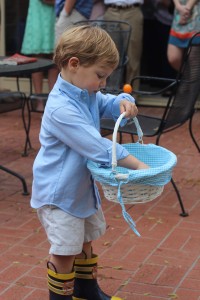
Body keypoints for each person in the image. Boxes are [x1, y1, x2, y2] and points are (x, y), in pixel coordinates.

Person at [31, 25, 149, 300]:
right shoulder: (61, 108)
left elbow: (108, 101)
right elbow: (98, 147)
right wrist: (141, 167)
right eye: (100, 76)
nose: (103, 83)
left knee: (85, 241)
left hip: (81, 188)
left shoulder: (86, 91)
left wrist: (124, 100)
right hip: (60, 194)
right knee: (64, 251)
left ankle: (87, 293)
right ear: (74, 64)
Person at [21, 0, 58, 110]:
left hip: (54, 15)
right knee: (37, 61)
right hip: (38, 17)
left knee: (55, 61)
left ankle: (53, 102)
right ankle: (39, 102)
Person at [103, 0, 144, 89]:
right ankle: (111, 90)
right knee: (110, 53)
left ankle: (131, 93)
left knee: (133, 55)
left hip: (133, 10)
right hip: (111, 10)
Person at [142, 0, 177, 80]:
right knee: (156, 52)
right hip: (159, 18)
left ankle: (170, 82)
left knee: (170, 56)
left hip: (179, 21)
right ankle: (158, 81)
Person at [167, 0, 200, 70]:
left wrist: (187, 8)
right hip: (179, 12)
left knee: (194, 61)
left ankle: (191, 79)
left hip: (195, 12)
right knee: (173, 58)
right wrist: (178, 6)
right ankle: (186, 77)